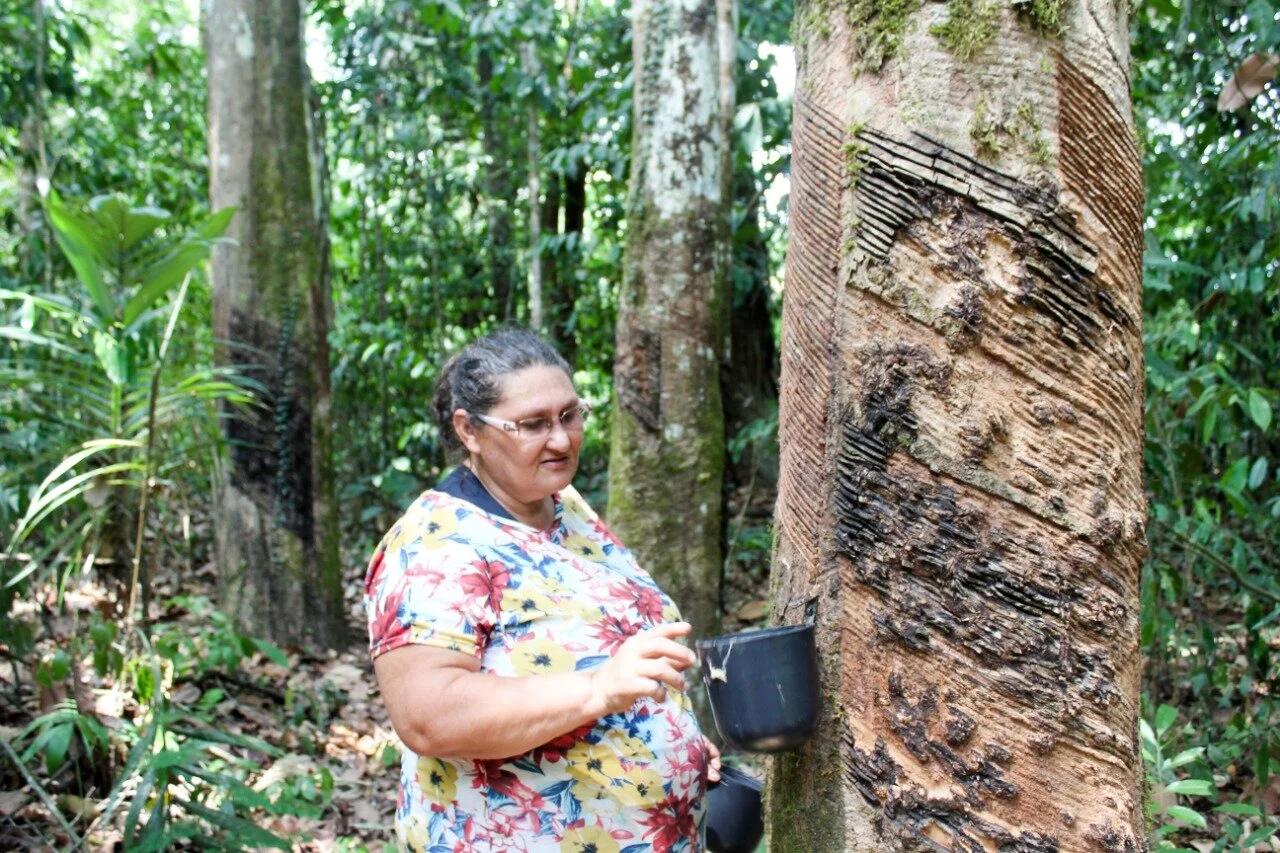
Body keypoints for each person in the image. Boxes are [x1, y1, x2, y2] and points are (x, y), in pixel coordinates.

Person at [364, 328, 721, 853]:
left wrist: (670, 733)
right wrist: (599, 687)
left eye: (569, 415)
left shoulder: (565, 507)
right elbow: (429, 717)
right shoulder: (432, 543)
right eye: (533, 424)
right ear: (469, 430)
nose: (561, 440)